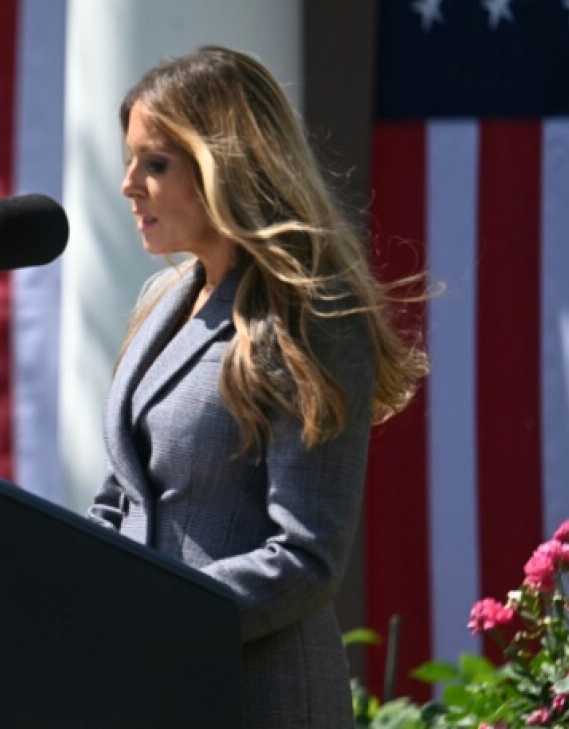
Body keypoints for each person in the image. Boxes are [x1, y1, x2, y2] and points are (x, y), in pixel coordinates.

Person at [88, 46, 427, 728]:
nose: (128, 185)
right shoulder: (160, 297)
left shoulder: (313, 315)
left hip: (256, 695)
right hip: (146, 686)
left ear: (225, 166)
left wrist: (156, 614)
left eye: (155, 163)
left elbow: (307, 554)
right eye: (131, 161)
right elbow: (122, 495)